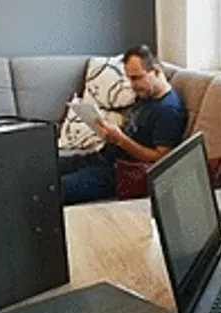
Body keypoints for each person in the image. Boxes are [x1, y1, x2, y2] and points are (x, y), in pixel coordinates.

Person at [59, 44, 187, 205]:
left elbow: (161, 159)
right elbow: (134, 131)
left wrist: (121, 140)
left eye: (136, 77)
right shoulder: (146, 96)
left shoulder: (169, 110)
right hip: (103, 158)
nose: (132, 85)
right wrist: (109, 132)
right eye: (129, 78)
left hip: (120, 174)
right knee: (46, 165)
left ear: (156, 71)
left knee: (58, 188)